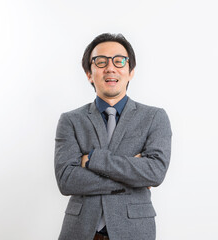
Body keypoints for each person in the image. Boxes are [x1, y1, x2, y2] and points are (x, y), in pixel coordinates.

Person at [54, 33, 172, 240]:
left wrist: (92, 160)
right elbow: (67, 180)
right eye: (101, 62)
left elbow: (154, 173)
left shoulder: (154, 117)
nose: (110, 68)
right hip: (81, 231)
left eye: (119, 61)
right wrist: (133, 177)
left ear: (130, 71)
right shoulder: (70, 120)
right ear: (89, 74)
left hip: (134, 232)